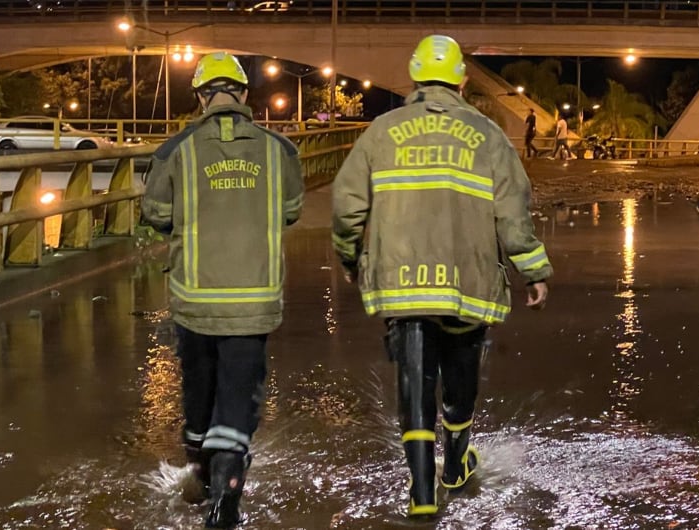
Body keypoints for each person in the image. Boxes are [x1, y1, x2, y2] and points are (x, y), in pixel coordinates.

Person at [331, 35, 552, 517]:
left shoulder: (381, 131)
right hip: (466, 280)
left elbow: (347, 206)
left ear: (413, 76)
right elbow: (513, 211)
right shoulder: (488, 135)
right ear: (463, 80)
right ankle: (455, 464)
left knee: (414, 379)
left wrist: (349, 258)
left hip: (402, 282)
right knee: (460, 378)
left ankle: (423, 492)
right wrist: (531, 268)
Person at [141, 51, 304, 529]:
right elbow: (291, 209)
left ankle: (200, 477)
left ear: (199, 97)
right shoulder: (280, 151)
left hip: (194, 298)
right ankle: (228, 495)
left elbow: (156, 214)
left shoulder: (176, 151)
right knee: (237, 397)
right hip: (254, 299)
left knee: (198, 392)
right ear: (244, 95)